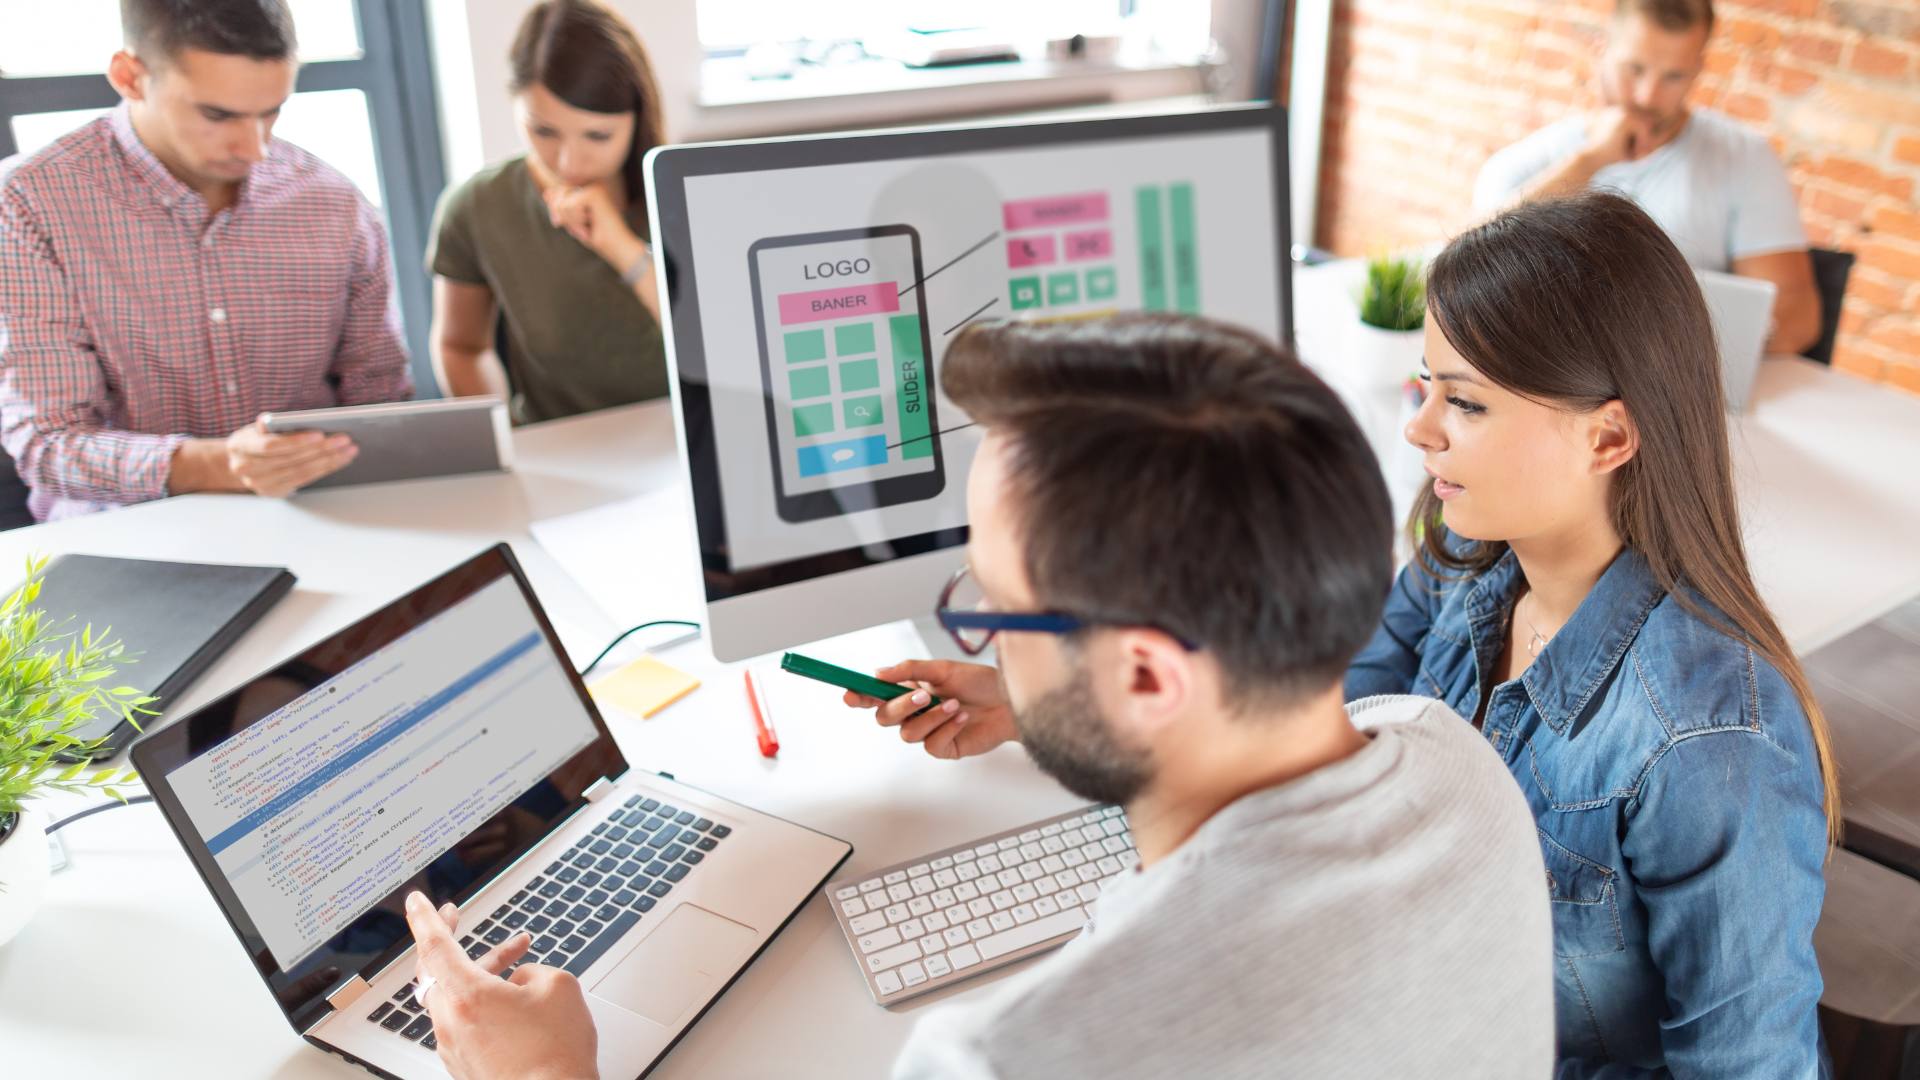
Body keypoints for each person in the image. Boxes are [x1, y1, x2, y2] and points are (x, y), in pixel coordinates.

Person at [402, 314, 1557, 1078]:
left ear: (1149, 676)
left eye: (995, 609)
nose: (985, 641)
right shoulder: (1455, 761)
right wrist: (1053, 699)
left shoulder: (1005, 1057)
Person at [1341, 192, 1835, 1075]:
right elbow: (1345, 713)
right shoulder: (1470, 548)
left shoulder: (1707, 742)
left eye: (1465, 404)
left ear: (1608, 437)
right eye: (1427, 386)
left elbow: (1747, 1065)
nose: (1420, 430)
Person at [0, 0, 412, 521]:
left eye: (272, 111)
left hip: (320, 518)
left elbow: (381, 402)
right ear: (130, 77)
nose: (255, 148)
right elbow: (47, 444)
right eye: (218, 115)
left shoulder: (335, 203)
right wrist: (220, 465)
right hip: (126, 538)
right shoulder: (30, 202)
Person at [1473, 0, 1821, 355]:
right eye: (1634, 68)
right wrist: (1590, 161)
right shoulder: (1527, 162)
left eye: (1674, 76)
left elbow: (1797, 319)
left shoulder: (1745, 158)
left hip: (1678, 383)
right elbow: (1471, 267)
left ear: (1699, 68)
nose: (1647, 96)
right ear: (1602, 49)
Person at [426, 0, 669, 425]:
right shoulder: (477, 206)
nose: (569, 162)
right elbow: (461, 347)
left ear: (637, 115)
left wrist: (622, 248)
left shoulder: (680, 189)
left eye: (597, 135)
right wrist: (509, 438)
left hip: (682, 439)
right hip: (556, 451)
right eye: (543, 131)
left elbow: (715, 349)